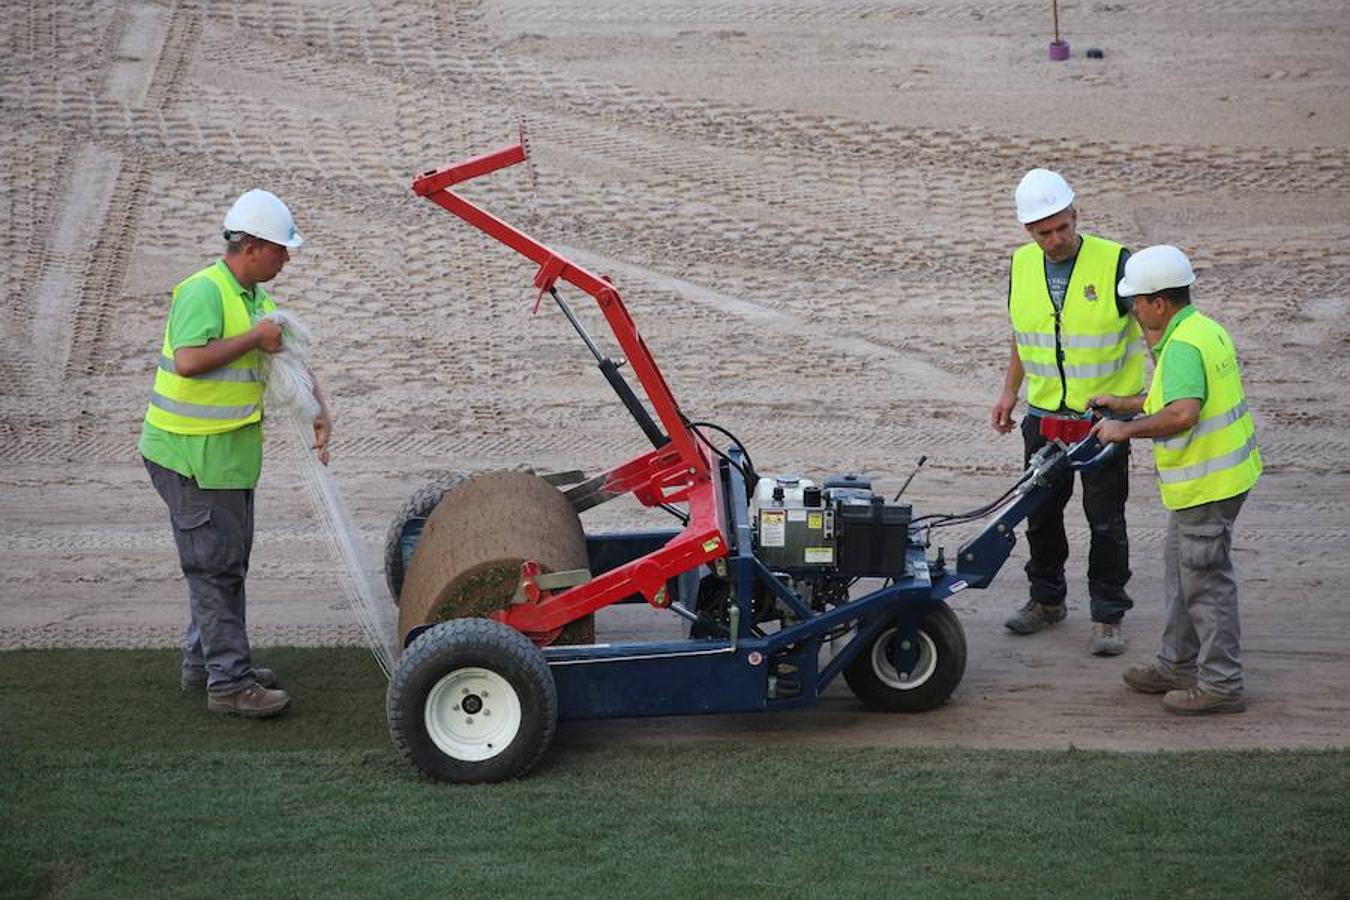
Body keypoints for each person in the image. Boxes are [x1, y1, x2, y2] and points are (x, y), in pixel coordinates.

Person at [140, 189, 332, 718]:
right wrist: (253, 338)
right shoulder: (203, 292)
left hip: (227, 457)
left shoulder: (253, 299)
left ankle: (206, 661)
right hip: (190, 456)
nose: (286, 258)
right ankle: (228, 684)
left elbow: (285, 350)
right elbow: (188, 361)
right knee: (214, 567)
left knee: (225, 561)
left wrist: (319, 408)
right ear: (250, 247)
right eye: (280, 249)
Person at [1090, 245, 1261, 715]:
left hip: (1208, 485)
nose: (1133, 309)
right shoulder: (1202, 329)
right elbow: (1176, 395)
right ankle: (1176, 664)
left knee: (1205, 584)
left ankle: (1222, 685)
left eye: (1137, 301)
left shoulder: (1183, 345)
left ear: (1159, 303)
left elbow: (1183, 413)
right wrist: (1125, 404)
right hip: (1219, 480)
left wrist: (1124, 430)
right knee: (1182, 572)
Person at [991, 168, 1143, 655]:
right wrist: (1009, 392)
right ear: (1027, 231)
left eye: (1062, 227)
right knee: (1040, 513)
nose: (1056, 240)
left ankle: (1108, 615)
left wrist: (1141, 404)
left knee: (1106, 520)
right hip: (1043, 417)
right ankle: (1046, 601)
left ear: (1076, 214)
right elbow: (1024, 332)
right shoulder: (1021, 265)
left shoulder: (1116, 262)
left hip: (1103, 421)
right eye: (1043, 233)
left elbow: (1156, 333)